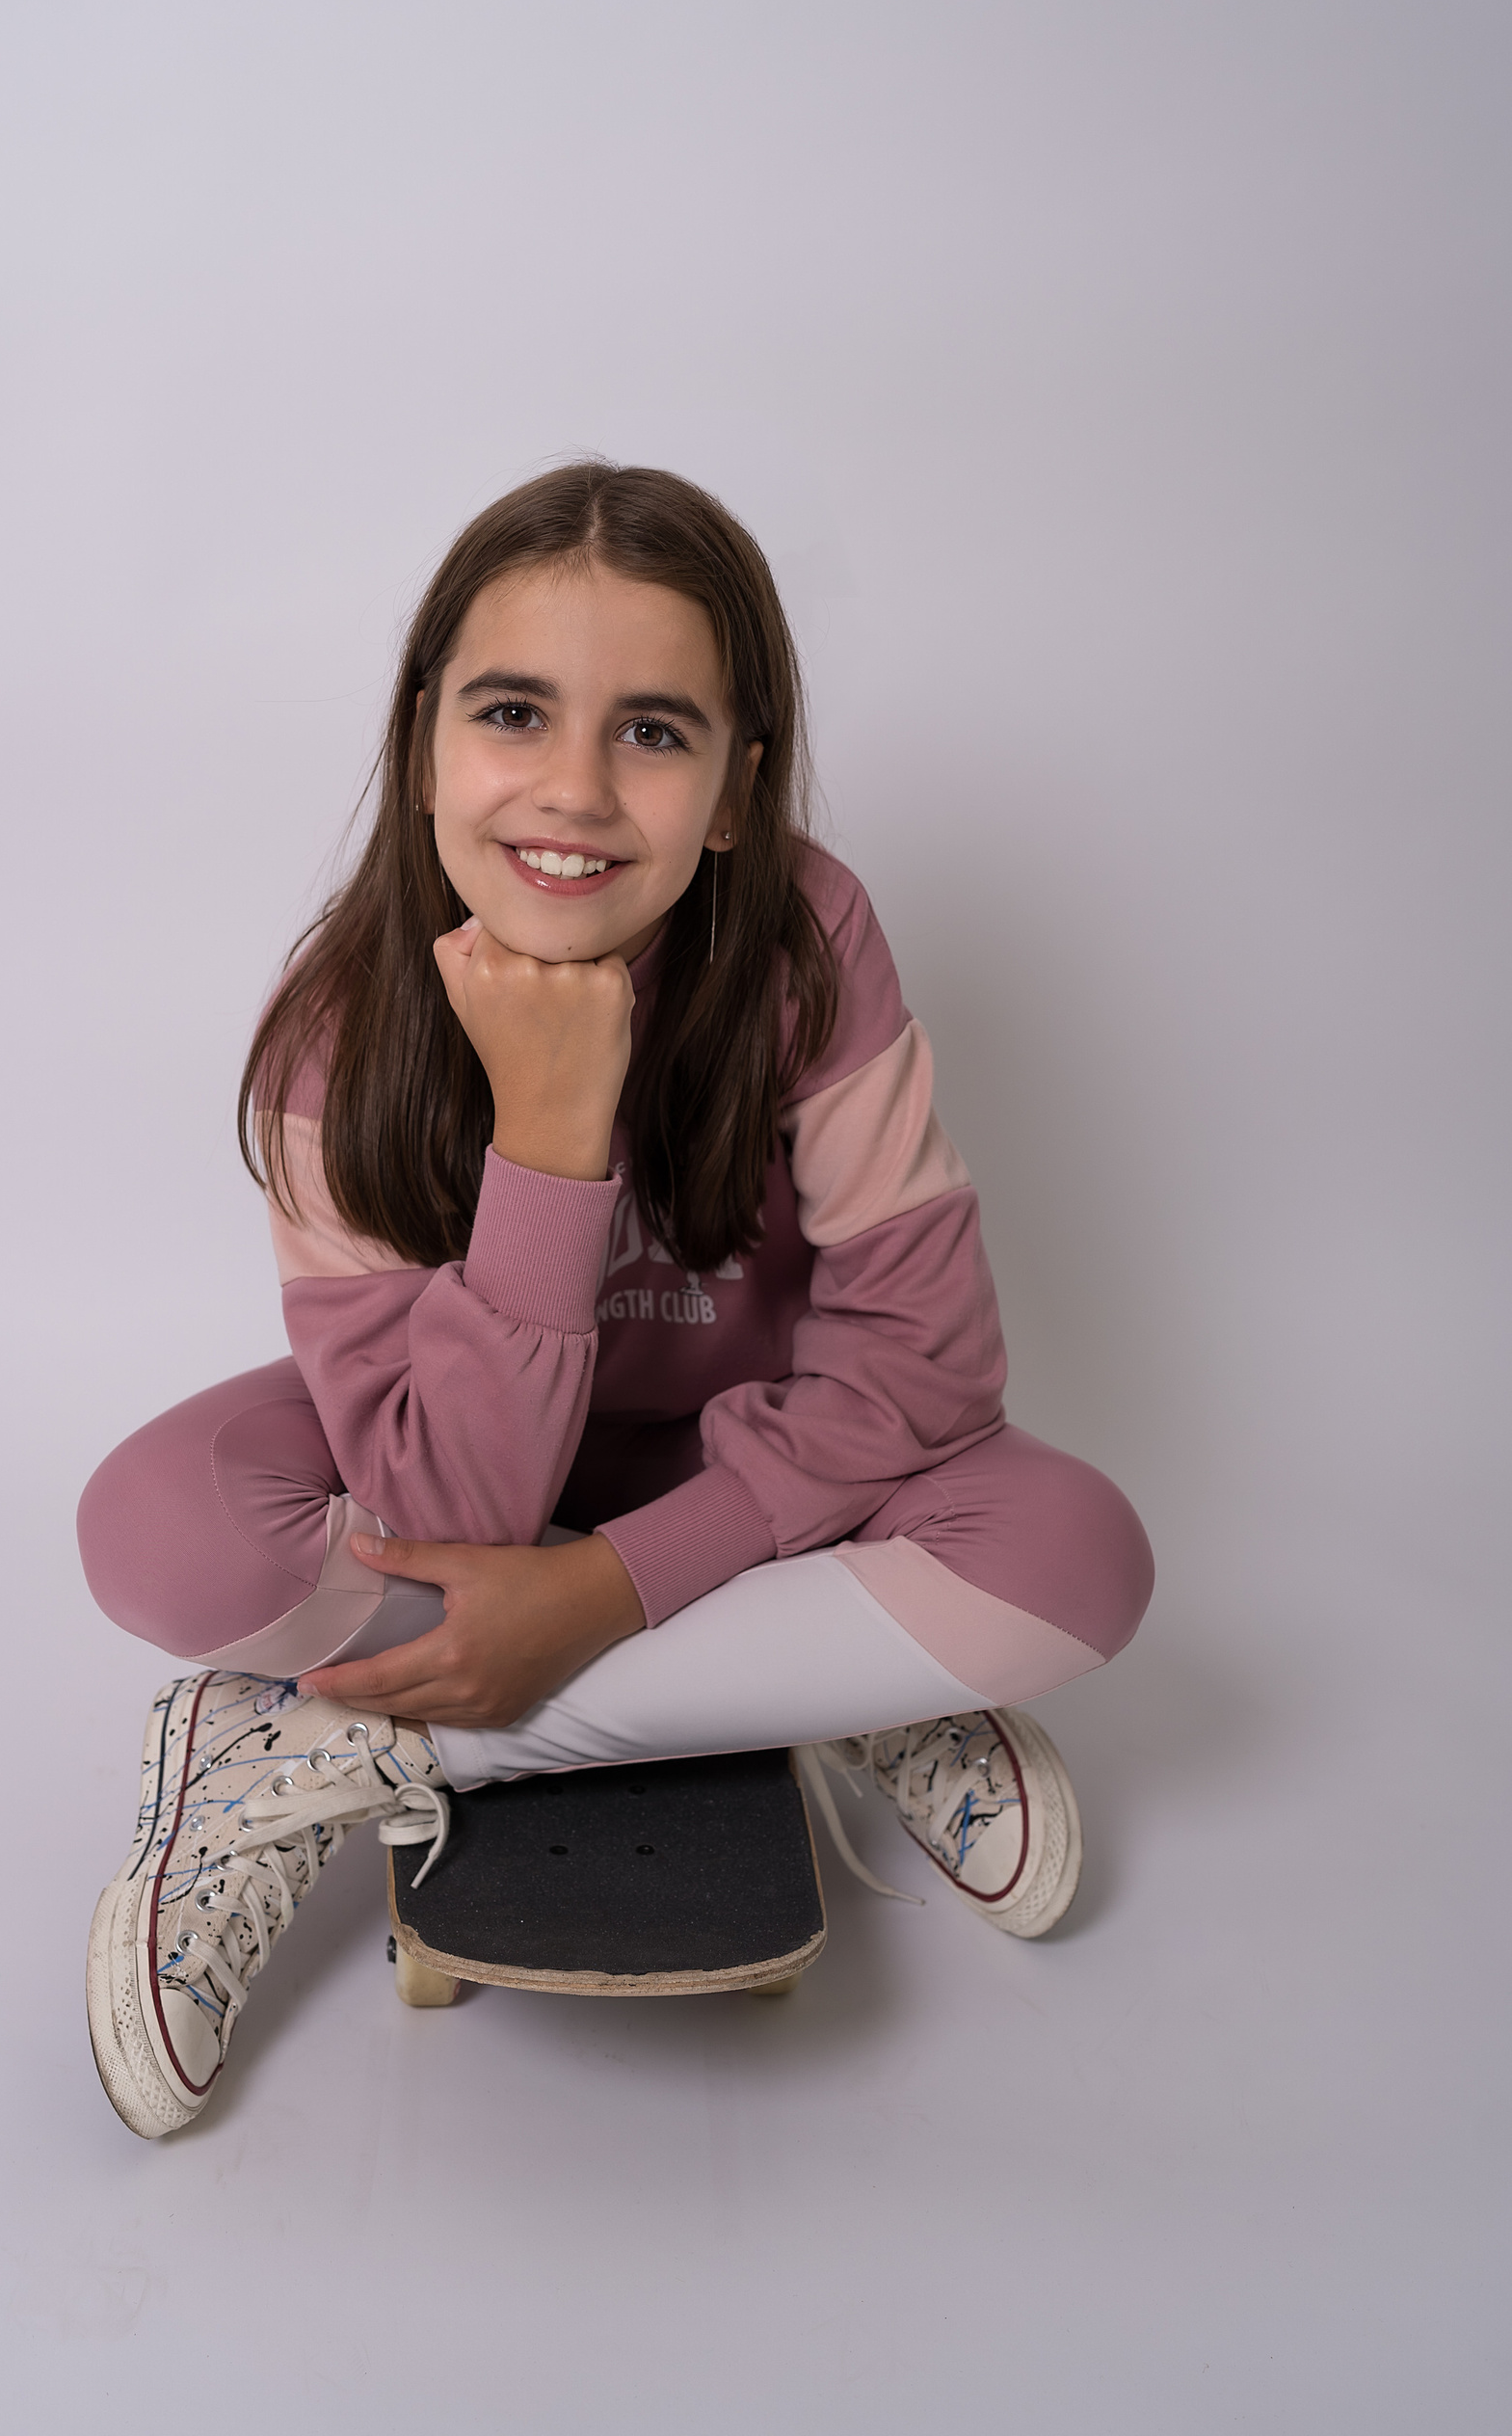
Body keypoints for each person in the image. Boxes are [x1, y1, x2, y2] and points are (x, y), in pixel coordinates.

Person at [78, 462, 1154, 2138]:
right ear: (424, 741)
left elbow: (930, 1369)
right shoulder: (333, 1031)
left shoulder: (806, 942)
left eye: (653, 731)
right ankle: (816, 1675)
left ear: (734, 791)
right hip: (477, 1469)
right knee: (156, 1528)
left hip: (760, 1471)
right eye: (515, 712)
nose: (573, 791)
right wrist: (551, 1131)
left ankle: (338, 1749)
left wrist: (601, 1594)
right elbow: (450, 1505)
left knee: (1076, 1553)